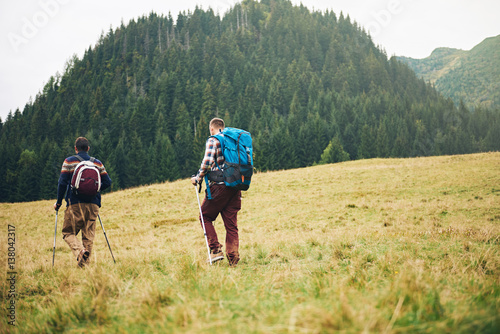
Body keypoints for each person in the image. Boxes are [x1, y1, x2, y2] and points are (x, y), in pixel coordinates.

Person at [53, 137, 112, 268]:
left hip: (75, 203)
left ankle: (80, 251)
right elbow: (108, 182)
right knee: (88, 236)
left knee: (68, 232)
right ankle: (85, 267)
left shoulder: (69, 161)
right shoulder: (97, 163)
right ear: (88, 148)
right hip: (93, 204)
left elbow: (62, 183)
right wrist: (94, 190)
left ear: (76, 148)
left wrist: (58, 202)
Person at [191, 118, 242, 266]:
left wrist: (198, 178)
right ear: (223, 127)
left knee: (204, 216)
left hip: (219, 186)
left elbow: (207, 163)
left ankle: (215, 250)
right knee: (231, 224)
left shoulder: (213, 140)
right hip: (235, 187)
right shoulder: (232, 140)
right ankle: (233, 259)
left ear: (212, 128)